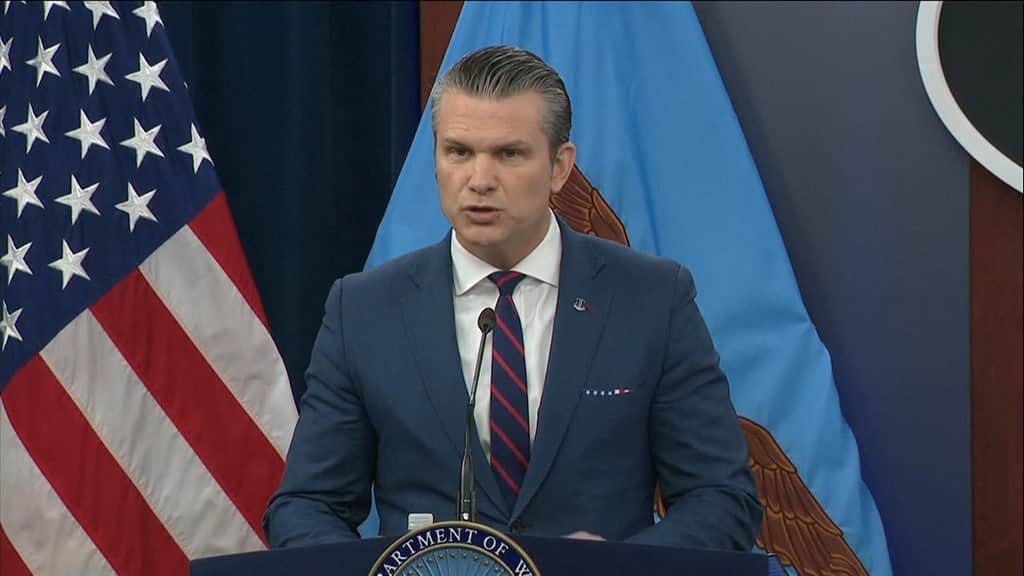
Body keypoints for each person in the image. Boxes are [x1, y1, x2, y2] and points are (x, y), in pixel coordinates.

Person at [262, 45, 762, 550]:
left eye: (509, 154)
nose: (480, 181)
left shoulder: (651, 300)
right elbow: (306, 507)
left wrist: (614, 569)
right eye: (458, 152)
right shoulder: (364, 311)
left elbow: (722, 499)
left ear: (560, 167)